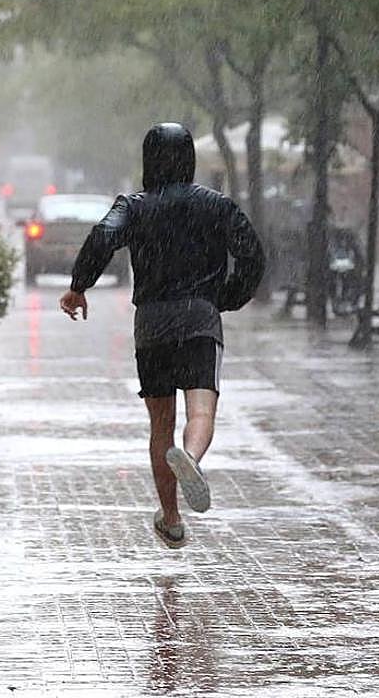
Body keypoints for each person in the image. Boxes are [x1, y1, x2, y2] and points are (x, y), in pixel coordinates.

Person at [59, 123, 264, 548]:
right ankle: (190, 458)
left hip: (152, 323)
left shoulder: (133, 207)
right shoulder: (216, 206)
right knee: (201, 412)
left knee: (160, 425)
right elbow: (252, 254)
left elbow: (102, 237)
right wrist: (229, 296)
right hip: (199, 319)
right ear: (189, 159)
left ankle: (171, 518)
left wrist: (79, 285)